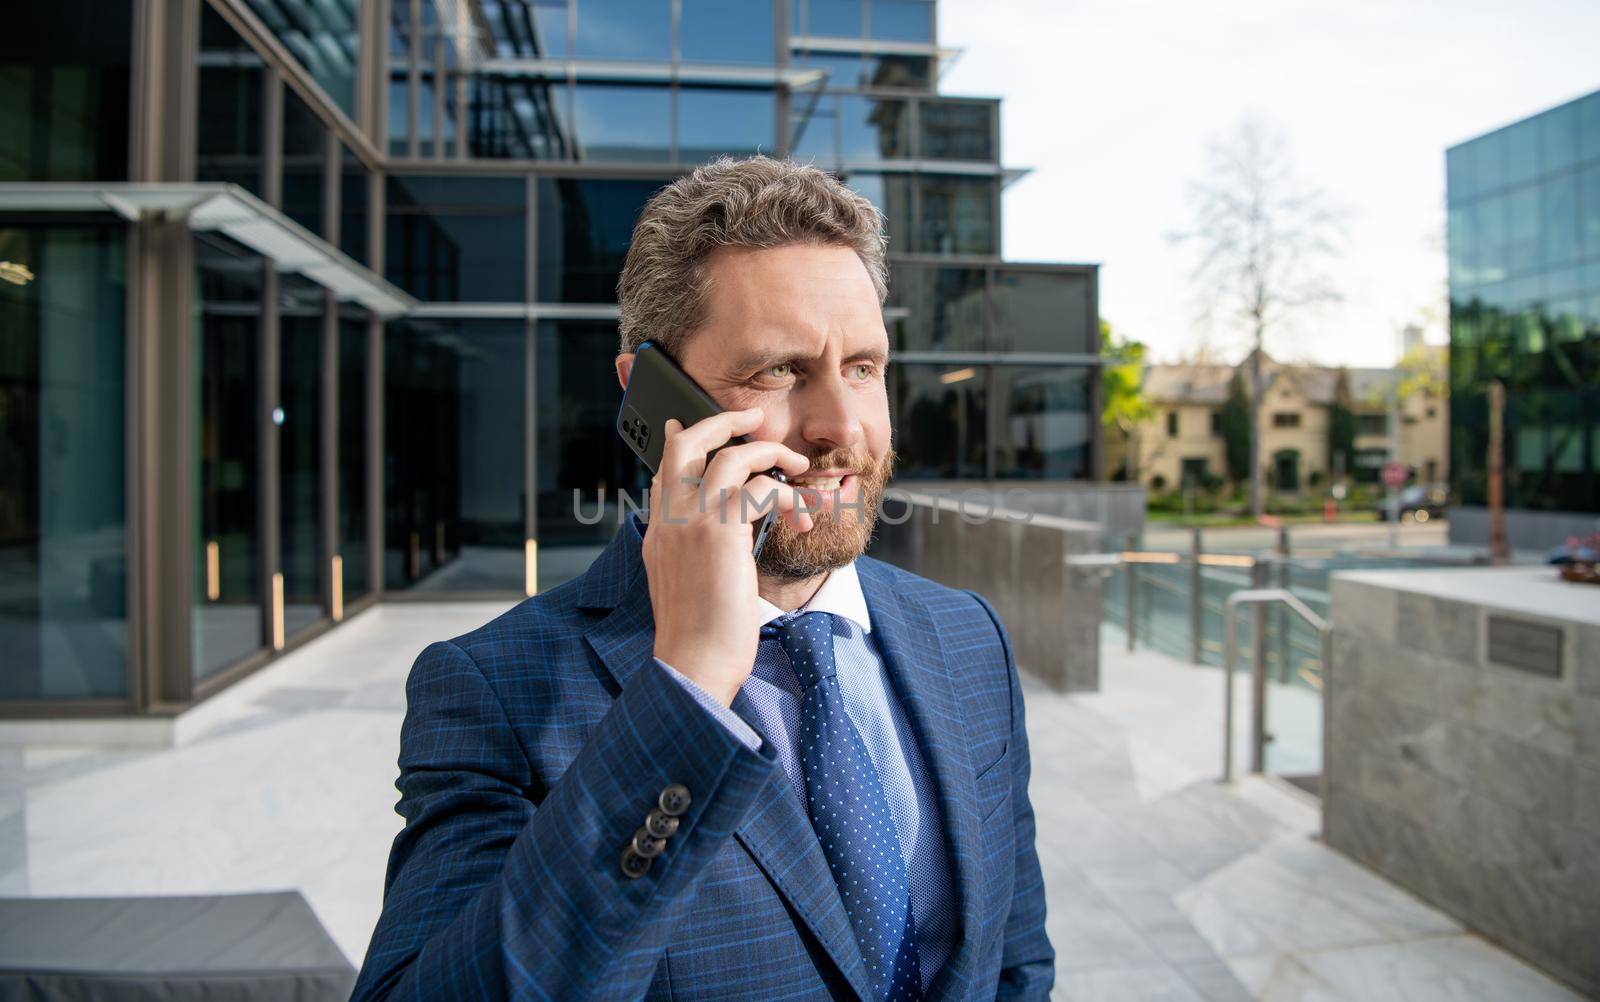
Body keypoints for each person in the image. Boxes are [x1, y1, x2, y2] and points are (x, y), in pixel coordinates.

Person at [351, 155, 1054, 1001]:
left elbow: (1015, 964)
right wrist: (683, 688)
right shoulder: (493, 689)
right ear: (651, 395)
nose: (841, 427)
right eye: (779, 371)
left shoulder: (968, 636)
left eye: (864, 367)